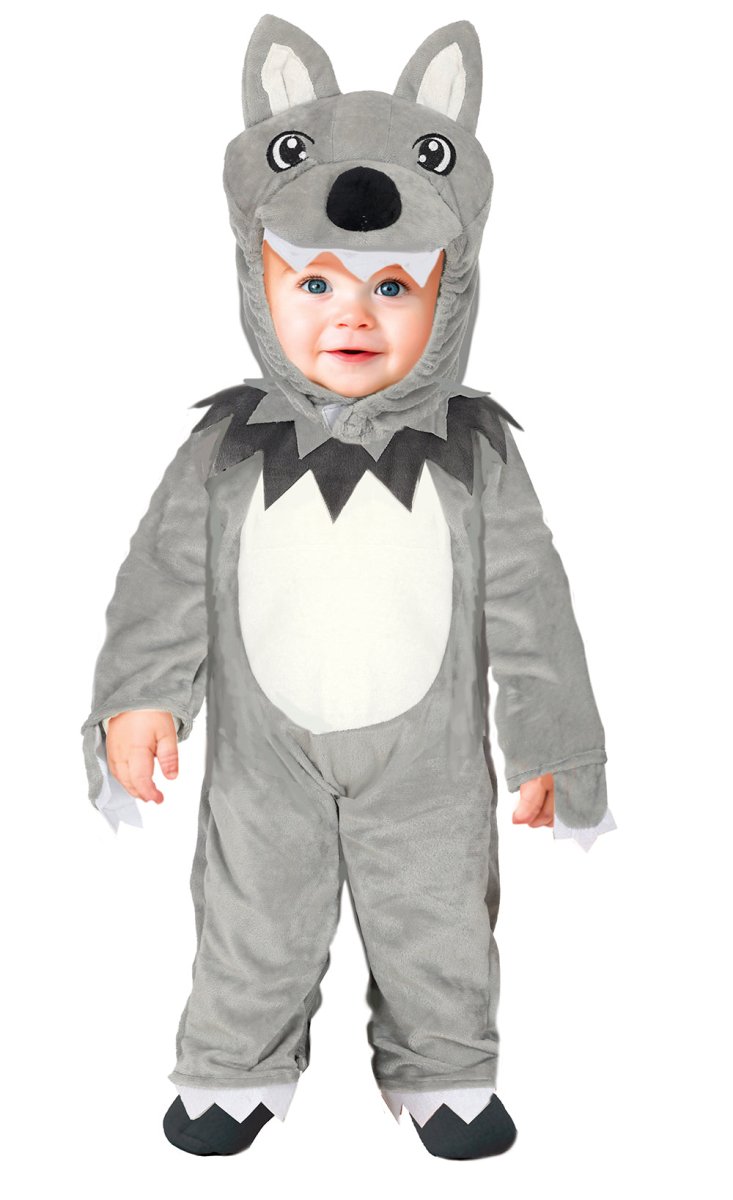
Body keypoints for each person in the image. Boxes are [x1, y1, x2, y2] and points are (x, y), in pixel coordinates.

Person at [81, 15, 616, 1161]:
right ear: (259, 275)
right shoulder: (224, 449)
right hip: (261, 764)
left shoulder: (476, 455)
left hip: (427, 767)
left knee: (439, 913)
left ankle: (443, 1071)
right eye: (316, 280)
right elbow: (162, 577)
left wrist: (552, 744)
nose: (352, 315)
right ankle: (232, 1066)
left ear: (450, 289)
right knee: (251, 910)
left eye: (393, 286)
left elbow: (531, 606)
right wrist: (139, 698)